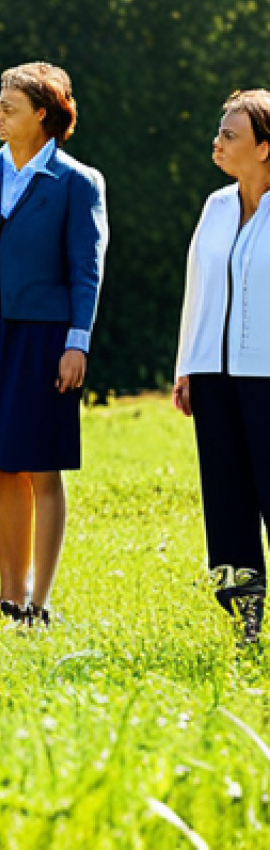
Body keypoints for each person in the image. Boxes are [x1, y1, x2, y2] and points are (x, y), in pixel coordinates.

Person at [0, 62, 108, 625]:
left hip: (44, 338)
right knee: (1, 466)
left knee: (40, 466)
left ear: (43, 114)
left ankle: (40, 602)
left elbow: (87, 271)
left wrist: (76, 343)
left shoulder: (79, 182)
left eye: (9, 106)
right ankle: (10, 599)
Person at [173, 89, 270, 643]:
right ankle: (245, 620)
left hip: (268, 375)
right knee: (227, 496)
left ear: (264, 147)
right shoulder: (215, 207)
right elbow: (198, 289)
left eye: (230, 134)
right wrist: (186, 365)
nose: (217, 141)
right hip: (213, 375)